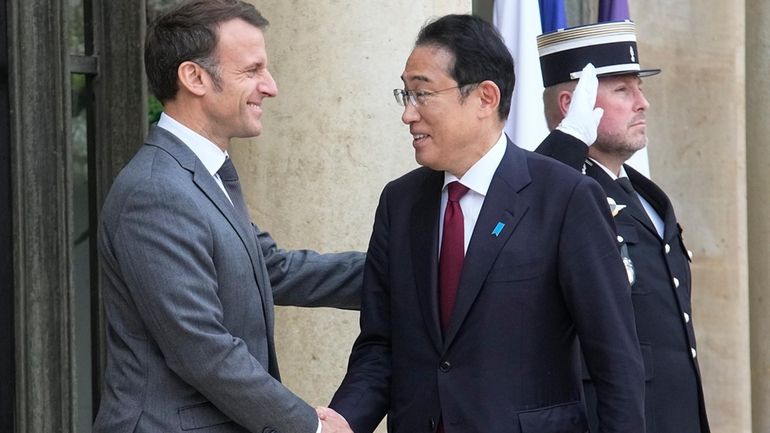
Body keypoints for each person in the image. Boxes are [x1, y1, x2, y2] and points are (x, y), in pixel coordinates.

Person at [326, 14, 644, 433]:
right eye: (405, 95)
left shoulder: (564, 197)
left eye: (422, 94)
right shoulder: (399, 203)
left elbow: (615, 363)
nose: (408, 114)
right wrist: (340, 422)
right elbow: (381, 346)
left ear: (485, 98)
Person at [93, 1, 362, 432]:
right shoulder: (156, 191)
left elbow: (271, 269)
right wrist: (307, 426)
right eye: (252, 70)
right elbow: (202, 349)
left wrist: (408, 270)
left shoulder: (203, 173)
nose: (270, 86)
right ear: (194, 77)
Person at [536, 21, 710, 433]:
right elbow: (521, 211)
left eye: (640, 88)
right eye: (622, 90)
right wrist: (569, 138)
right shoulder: (562, 192)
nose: (642, 103)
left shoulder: (646, 195)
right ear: (571, 104)